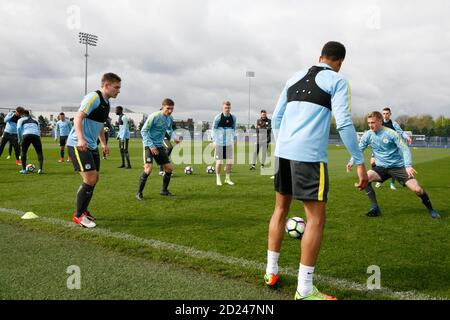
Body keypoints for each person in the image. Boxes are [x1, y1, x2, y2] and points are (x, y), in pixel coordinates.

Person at [266, 41, 368, 300]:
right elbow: (344, 122)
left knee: (280, 210)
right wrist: (359, 160)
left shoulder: (294, 76)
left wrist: (285, 143)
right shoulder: (337, 80)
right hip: (309, 157)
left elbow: (276, 118)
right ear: (340, 62)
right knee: (316, 219)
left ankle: (270, 272)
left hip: (284, 153)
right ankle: (305, 289)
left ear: (320, 56)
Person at [347, 111, 440, 219]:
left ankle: (431, 210)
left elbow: (405, 149)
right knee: (365, 179)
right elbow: (359, 150)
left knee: (417, 190)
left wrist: (408, 165)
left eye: (373, 122)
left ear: (380, 121)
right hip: (381, 167)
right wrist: (351, 161)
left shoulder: (391, 133)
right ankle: (375, 208)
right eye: (369, 123)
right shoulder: (368, 135)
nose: (370, 125)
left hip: (398, 167)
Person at [67, 72, 121, 228]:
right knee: (90, 178)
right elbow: (78, 117)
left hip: (92, 145)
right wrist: (81, 138)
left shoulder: (107, 103)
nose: (118, 90)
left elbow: (99, 126)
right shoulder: (93, 97)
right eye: (116, 87)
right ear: (106, 85)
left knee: (94, 178)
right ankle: (78, 216)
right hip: (78, 143)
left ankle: (83, 210)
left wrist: (103, 144)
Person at [136, 98, 180, 200]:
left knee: (169, 168)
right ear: (163, 107)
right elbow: (143, 131)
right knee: (148, 168)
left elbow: (169, 129)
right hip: (149, 145)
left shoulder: (169, 118)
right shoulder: (154, 116)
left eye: (172, 109)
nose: (170, 111)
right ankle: (139, 193)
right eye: (168, 108)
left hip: (159, 146)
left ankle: (164, 190)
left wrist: (175, 137)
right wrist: (151, 145)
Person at [373, 107, 412, 190]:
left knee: (392, 165)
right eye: (384, 113)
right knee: (373, 162)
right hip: (380, 146)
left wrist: (407, 137)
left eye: (387, 113)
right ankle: (379, 179)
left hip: (392, 147)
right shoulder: (379, 123)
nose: (385, 115)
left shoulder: (393, 124)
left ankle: (392, 183)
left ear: (390, 114)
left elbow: (401, 132)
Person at [212, 101, 237, 186]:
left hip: (228, 143)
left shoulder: (233, 118)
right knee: (219, 162)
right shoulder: (218, 118)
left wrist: (234, 138)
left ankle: (227, 179)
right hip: (219, 143)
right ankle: (218, 179)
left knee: (229, 162)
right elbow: (213, 130)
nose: (227, 109)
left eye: (229, 108)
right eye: (226, 108)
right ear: (223, 108)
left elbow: (234, 129)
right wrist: (214, 141)